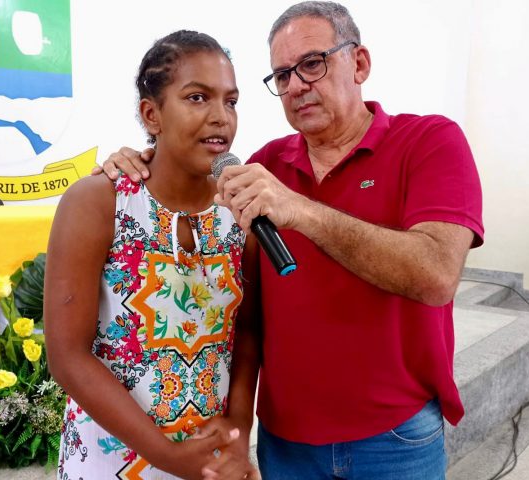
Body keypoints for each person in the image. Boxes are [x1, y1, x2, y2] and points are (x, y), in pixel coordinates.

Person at [100, 2, 484, 479]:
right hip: (287, 443)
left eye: (312, 64)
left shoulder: (429, 141)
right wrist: (136, 159)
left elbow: (436, 275)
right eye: (282, 75)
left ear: (359, 63)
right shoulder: (264, 166)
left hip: (395, 437)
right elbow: (246, 315)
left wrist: (301, 211)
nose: (297, 84)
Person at [44, 30, 258, 480]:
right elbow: (67, 356)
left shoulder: (241, 207)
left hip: (210, 459)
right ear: (151, 114)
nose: (221, 117)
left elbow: (248, 330)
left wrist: (238, 429)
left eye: (231, 101)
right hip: (110, 459)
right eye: (197, 97)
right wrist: (165, 454)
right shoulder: (99, 202)